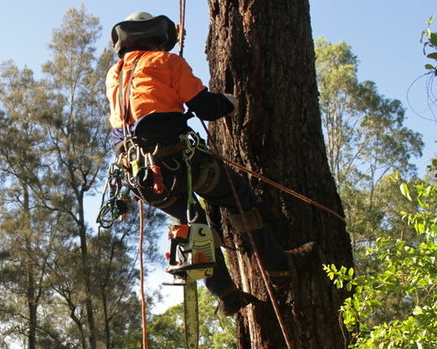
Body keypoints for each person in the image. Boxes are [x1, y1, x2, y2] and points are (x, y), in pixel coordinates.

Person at [105, 12, 316, 315]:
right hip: (175, 162)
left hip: (139, 176)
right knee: (237, 195)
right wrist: (231, 102)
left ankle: (226, 293)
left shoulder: (115, 74)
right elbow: (204, 106)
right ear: (157, 37)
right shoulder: (166, 62)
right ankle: (278, 266)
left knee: (194, 224)